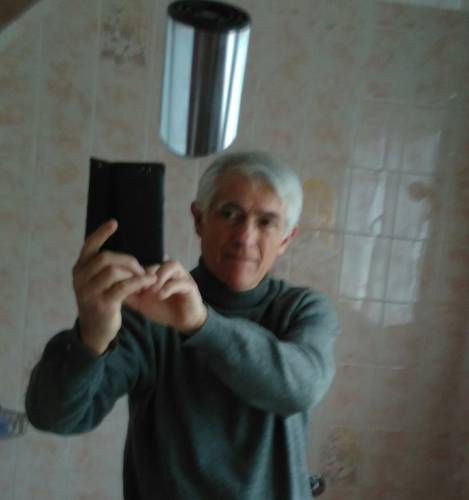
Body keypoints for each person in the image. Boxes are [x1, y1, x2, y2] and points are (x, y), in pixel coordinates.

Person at [26, 151, 340, 500]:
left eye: (266, 222)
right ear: (199, 219)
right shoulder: (149, 309)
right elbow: (54, 416)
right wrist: (91, 333)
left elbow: (300, 387)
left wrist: (200, 324)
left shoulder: (302, 309)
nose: (245, 237)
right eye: (229, 213)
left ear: (286, 239)